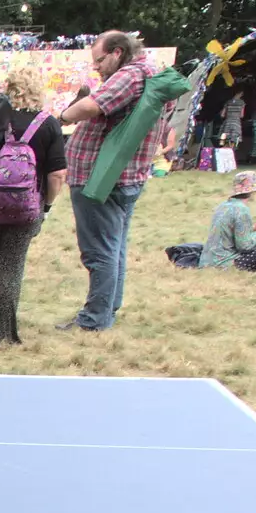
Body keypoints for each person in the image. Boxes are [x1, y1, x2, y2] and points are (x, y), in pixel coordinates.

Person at [57, 31, 174, 333]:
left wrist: (62, 116)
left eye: (98, 60)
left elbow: (92, 106)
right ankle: (107, 309)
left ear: (117, 52)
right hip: (125, 178)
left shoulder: (130, 77)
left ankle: (95, 319)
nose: (95, 67)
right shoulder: (152, 75)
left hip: (101, 179)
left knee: (99, 251)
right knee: (114, 248)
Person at [0, 66, 67, 346]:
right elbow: (57, 175)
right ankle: (5, 335)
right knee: (11, 267)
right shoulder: (49, 123)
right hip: (27, 209)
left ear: (8, 88)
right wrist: (46, 206)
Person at [202, 171, 256, 271]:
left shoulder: (223, 206)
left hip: (209, 260)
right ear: (253, 191)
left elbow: (233, 234)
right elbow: (245, 246)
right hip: (226, 262)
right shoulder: (242, 210)